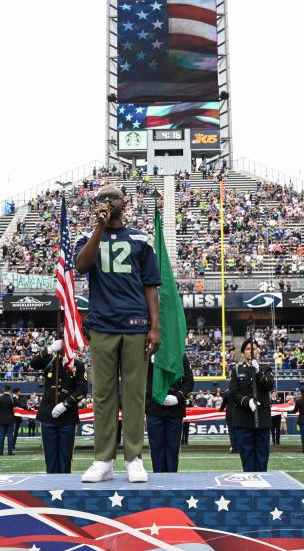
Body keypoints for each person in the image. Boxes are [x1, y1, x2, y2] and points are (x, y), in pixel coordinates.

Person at [73, 184, 161, 483]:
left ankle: (134, 457)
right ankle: (103, 459)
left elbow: (151, 285)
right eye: (101, 198)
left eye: (112, 197)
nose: (107, 200)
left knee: (135, 394)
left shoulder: (140, 237)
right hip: (102, 324)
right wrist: (99, 227)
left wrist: (155, 326)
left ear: (125, 202)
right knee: (103, 396)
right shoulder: (87, 237)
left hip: (135, 324)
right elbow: (82, 267)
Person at [31, 340, 88, 474]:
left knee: (65, 458)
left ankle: (64, 487)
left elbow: (83, 390)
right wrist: (49, 349)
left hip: (67, 417)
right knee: (50, 458)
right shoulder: (50, 361)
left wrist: (66, 404)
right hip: (48, 415)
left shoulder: (78, 365)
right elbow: (33, 363)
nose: (63, 348)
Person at [226, 339, 274, 472]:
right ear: (243, 353)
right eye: (248, 349)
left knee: (262, 454)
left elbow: (269, 386)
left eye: (254, 348)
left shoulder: (265, 368)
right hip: (244, 418)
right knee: (247, 456)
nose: (251, 351)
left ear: (258, 351)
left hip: (262, 418)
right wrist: (248, 402)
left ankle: (261, 484)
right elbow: (233, 393)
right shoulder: (237, 370)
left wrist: (258, 371)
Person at [145, 356, 194, 474]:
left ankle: (172, 480)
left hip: (175, 409)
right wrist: (147, 361)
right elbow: (137, 375)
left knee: (173, 448)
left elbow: (189, 381)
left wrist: (178, 397)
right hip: (154, 406)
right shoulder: (148, 352)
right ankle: (159, 480)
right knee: (156, 448)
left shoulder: (179, 354)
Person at [0, 386, 16, 456]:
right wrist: (27, 408)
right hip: (10, 419)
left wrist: (0, 410)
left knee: (1, 436)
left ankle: (1, 452)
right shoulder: (12, 398)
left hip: (2, 419)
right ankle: (10, 452)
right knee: (10, 436)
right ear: (9, 390)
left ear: (3, 390)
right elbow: (19, 405)